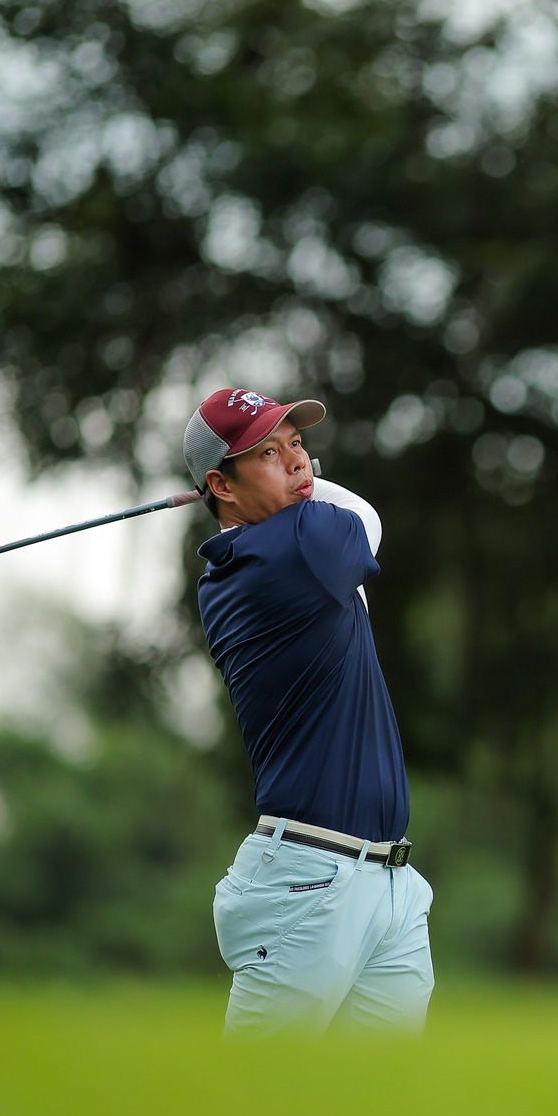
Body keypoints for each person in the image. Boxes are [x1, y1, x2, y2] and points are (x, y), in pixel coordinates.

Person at [185, 387, 433, 1036]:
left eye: (297, 443)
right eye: (268, 452)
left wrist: (271, 481)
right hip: (308, 882)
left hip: (389, 885)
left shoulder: (267, 550)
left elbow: (345, 513)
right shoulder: (289, 550)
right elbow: (363, 518)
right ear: (221, 482)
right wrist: (305, 487)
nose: (299, 462)